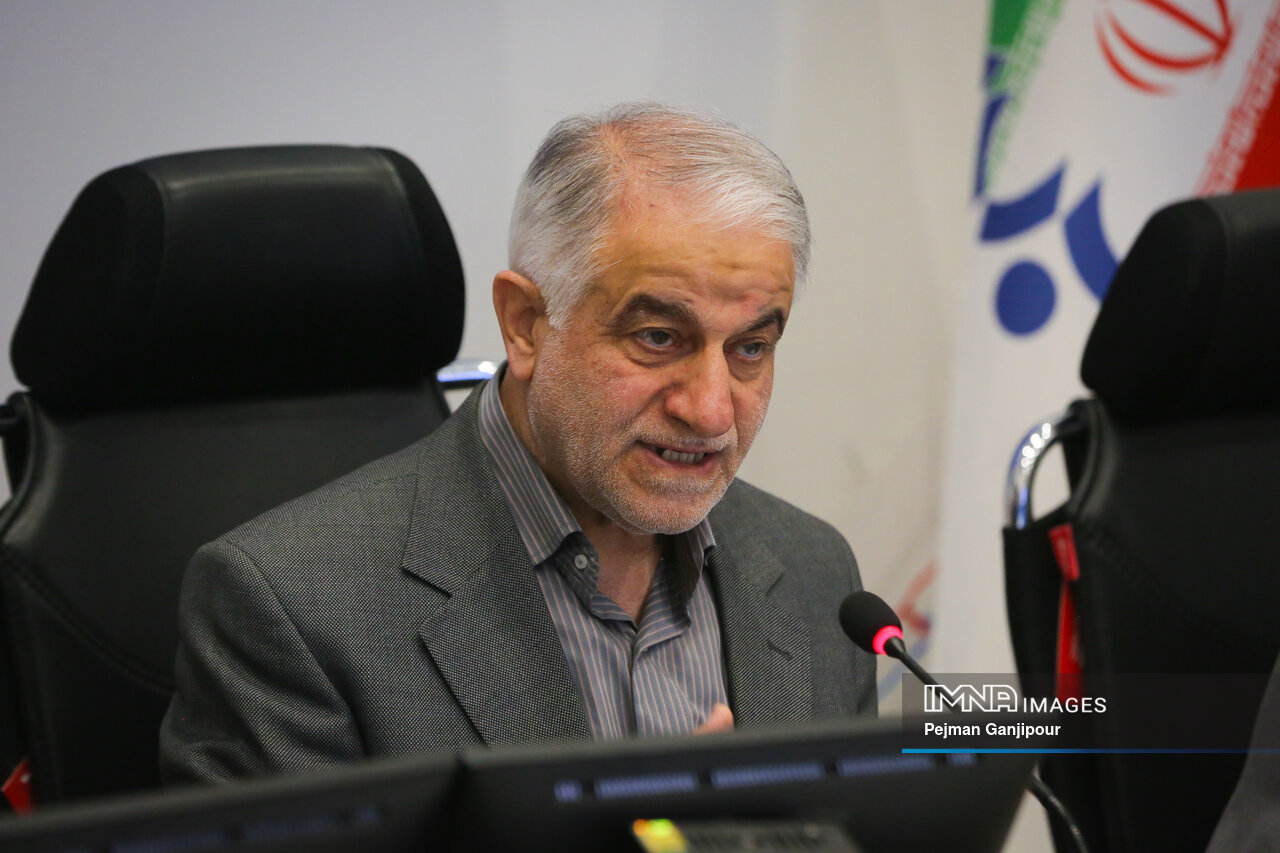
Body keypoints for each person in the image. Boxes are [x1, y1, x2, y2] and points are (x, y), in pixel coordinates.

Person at [159, 102, 877, 783]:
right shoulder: (292, 605)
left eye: (750, 347)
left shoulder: (817, 573)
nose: (712, 410)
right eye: (658, 337)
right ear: (525, 324)